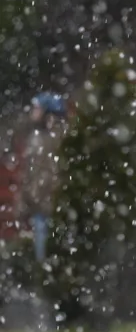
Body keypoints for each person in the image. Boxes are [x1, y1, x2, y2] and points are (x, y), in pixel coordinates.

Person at [17, 92, 68, 263]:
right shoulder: (38, 138)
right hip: (42, 209)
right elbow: (30, 176)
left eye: (37, 108)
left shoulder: (53, 140)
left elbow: (43, 176)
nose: (33, 112)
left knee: (47, 259)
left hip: (49, 209)